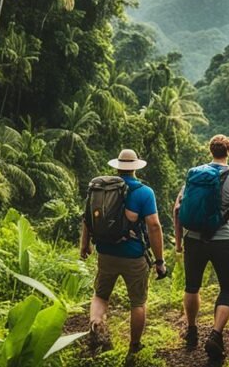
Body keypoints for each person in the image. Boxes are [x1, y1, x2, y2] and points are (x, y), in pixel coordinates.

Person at [80, 149, 166, 356]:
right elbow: (154, 226)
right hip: (134, 256)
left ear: (117, 166)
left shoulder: (99, 189)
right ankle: (134, 347)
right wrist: (159, 260)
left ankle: (96, 324)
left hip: (106, 253)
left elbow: (87, 219)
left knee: (100, 295)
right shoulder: (144, 192)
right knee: (137, 302)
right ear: (136, 167)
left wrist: (85, 245)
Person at [173, 134, 229, 361]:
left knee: (192, 286)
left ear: (210, 151)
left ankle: (192, 330)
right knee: (227, 289)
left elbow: (177, 208)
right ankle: (215, 335)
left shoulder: (194, 175)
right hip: (221, 240)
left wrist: (178, 242)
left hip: (193, 240)